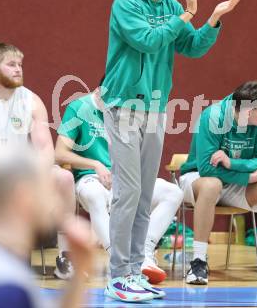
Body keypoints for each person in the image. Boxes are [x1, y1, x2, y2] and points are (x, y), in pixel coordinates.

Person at [101, 0, 242, 302]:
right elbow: (146, 41)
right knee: (128, 192)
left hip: (155, 109)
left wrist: (211, 18)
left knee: (145, 193)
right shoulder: (126, 3)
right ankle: (116, 275)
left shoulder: (172, 6)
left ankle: (134, 271)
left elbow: (192, 46)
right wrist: (185, 16)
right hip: (124, 106)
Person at [55, 84, 184, 288]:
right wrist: (95, 164)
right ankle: (117, 258)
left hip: (124, 180)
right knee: (96, 196)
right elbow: (59, 153)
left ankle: (144, 253)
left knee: (173, 192)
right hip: (90, 179)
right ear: (98, 91)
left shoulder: (129, 109)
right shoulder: (79, 108)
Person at [0, 42, 76, 280]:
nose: (19, 69)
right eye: (11, 64)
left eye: (20, 64)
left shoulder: (31, 101)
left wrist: (35, 177)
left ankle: (65, 256)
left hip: (22, 171)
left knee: (64, 177)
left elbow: (44, 148)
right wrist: (1, 177)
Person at [180, 80, 257, 285]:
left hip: (234, 182)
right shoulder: (213, 117)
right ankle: (198, 262)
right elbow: (206, 168)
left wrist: (231, 162)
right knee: (211, 184)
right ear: (247, 112)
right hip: (197, 179)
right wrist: (247, 177)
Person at [0, 147, 94, 308]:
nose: (55, 202)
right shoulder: (5, 289)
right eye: (47, 191)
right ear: (23, 198)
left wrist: (79, 273)